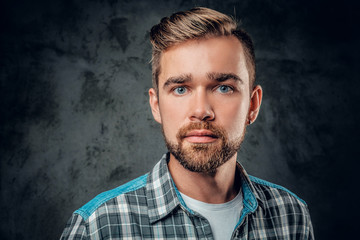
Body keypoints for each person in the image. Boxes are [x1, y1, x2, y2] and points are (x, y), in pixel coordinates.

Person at [60, 7, 314, 240]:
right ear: (156, 105)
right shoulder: (97, 226)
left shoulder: (291, 215)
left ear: (253, 105)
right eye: (181, 89)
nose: (201, 111)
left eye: (224, 88)